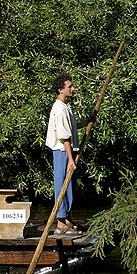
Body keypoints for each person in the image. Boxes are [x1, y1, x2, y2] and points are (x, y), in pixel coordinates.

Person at [46, 73, 89, 234]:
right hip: (62, 152)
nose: (73, 89)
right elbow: (64, 137)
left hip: (67, 151)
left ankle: (67, 218)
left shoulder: (65, 107)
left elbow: (69, 128)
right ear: (60, 90)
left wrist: (85, 123)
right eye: (69, 86)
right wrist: (71, 159)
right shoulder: (59, 108)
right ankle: (61, 222)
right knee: (63, 185)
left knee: (70, 186)